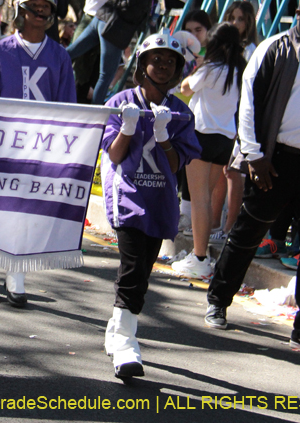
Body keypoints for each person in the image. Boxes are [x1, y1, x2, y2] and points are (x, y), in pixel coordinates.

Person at [204, 0, 300, 360]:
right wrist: (254, 155)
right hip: (275, 162)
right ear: (298, 12)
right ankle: (219, 298)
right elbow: (248, 103)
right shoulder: (274, 48)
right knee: (247, 234)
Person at [101, 30, 199, 377]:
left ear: (177, 69)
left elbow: (175, 166)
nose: (162, 66)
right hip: (127, 196)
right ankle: (127, 343)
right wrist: (128, 127)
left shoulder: (181, 112)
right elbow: (114, 154)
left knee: (142, 269)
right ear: (142, 64)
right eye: (155, 59)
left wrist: (163, 136)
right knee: (131, 268)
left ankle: (116, 330)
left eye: (169, 61)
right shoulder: (121, 100)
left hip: (159, 200)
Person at [0, 0, 76, 307]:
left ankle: (17, 271)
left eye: (47, 9)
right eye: (36, 7)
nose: (41, 14)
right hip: (4, 144)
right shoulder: (2, 50)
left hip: (39, 146)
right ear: (21, 10)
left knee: (26, 210)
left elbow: (66, 105)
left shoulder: (60, 56)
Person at [66, 0, 230, 104]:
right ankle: (96, 117)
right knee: (105, 76)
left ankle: (44, 68)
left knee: (70, 53)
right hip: (114, 28)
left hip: (101, 18)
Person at [173, 24, 246, 278]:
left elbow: (185, 88)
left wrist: (198, 64)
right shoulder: (239, 72)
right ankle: (200, 256)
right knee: (206, 199)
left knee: (198, 200)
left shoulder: (210, 69)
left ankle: (200, 257)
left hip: (201, 135)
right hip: (226, 140)